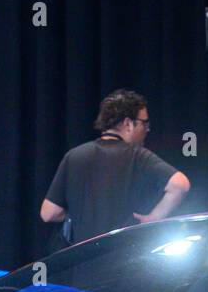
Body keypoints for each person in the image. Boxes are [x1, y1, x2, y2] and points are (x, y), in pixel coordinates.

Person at [40, 89, 190, 246]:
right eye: (144, 123)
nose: (147, 129)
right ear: (127, 123)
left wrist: (80, 215)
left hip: (83, 262)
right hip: (123, 258)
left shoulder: (74, 156)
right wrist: (153, 219)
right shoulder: (138, 156)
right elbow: (180, 184)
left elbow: (48, 213)